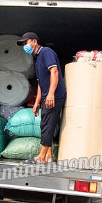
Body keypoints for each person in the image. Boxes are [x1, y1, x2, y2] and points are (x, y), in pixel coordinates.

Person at [17, 32, 67, 163]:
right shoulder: (36, 59)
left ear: (34, 42)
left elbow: (54, 71)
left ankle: (41, 157)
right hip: (47, 96)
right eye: (23, 44)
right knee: (45, 124)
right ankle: (48, 155)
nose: (24, 46)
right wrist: (37, 102)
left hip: (55, 95)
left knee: (47, 124)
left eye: (26, 42)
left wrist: (51, 93)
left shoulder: (46, 52)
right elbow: (40, 82)